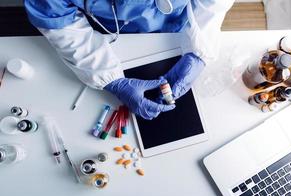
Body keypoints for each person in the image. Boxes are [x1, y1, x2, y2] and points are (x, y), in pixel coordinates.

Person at [24, 0, 234, 120]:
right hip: (102, 33)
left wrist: (199, 51)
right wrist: (109, 78)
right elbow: (54, 18)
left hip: (175, 32)